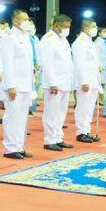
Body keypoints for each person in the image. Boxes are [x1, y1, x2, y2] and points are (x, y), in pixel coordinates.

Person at [0, 9, 36, 159]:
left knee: (22, 118)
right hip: (14, 85)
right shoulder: (9, 37)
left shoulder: (25, 36)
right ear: (15, 20)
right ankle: (10, 148)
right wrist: (10, 85)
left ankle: (19, 146)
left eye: (28, 19)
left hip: (25, 83)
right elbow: (7, 63)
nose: (28, 22)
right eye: (24, 19)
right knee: (12, 117)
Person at [38, 14, 74, 152]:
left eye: (69, 27)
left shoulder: (63, 39)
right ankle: (49, 140)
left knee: (61, 112)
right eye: (65, 27)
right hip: (54, 83)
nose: (67, 29)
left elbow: (67, 62)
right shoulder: (48, 39)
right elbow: (47, 63)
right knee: (51, 113)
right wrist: (53, 82)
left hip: (65, 81)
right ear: (57, 25)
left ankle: (58, 137)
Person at [71, 19, 102, 143]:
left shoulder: (90, 42)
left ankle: (86, 131)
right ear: (85, 28)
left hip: (92, 80)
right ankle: (81, 132)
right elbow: (79, 64)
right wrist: (84, 81)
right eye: (93, 26)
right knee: (82, 107)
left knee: (89, 108)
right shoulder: (80, 42)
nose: (96, 29)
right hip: (85, 81)